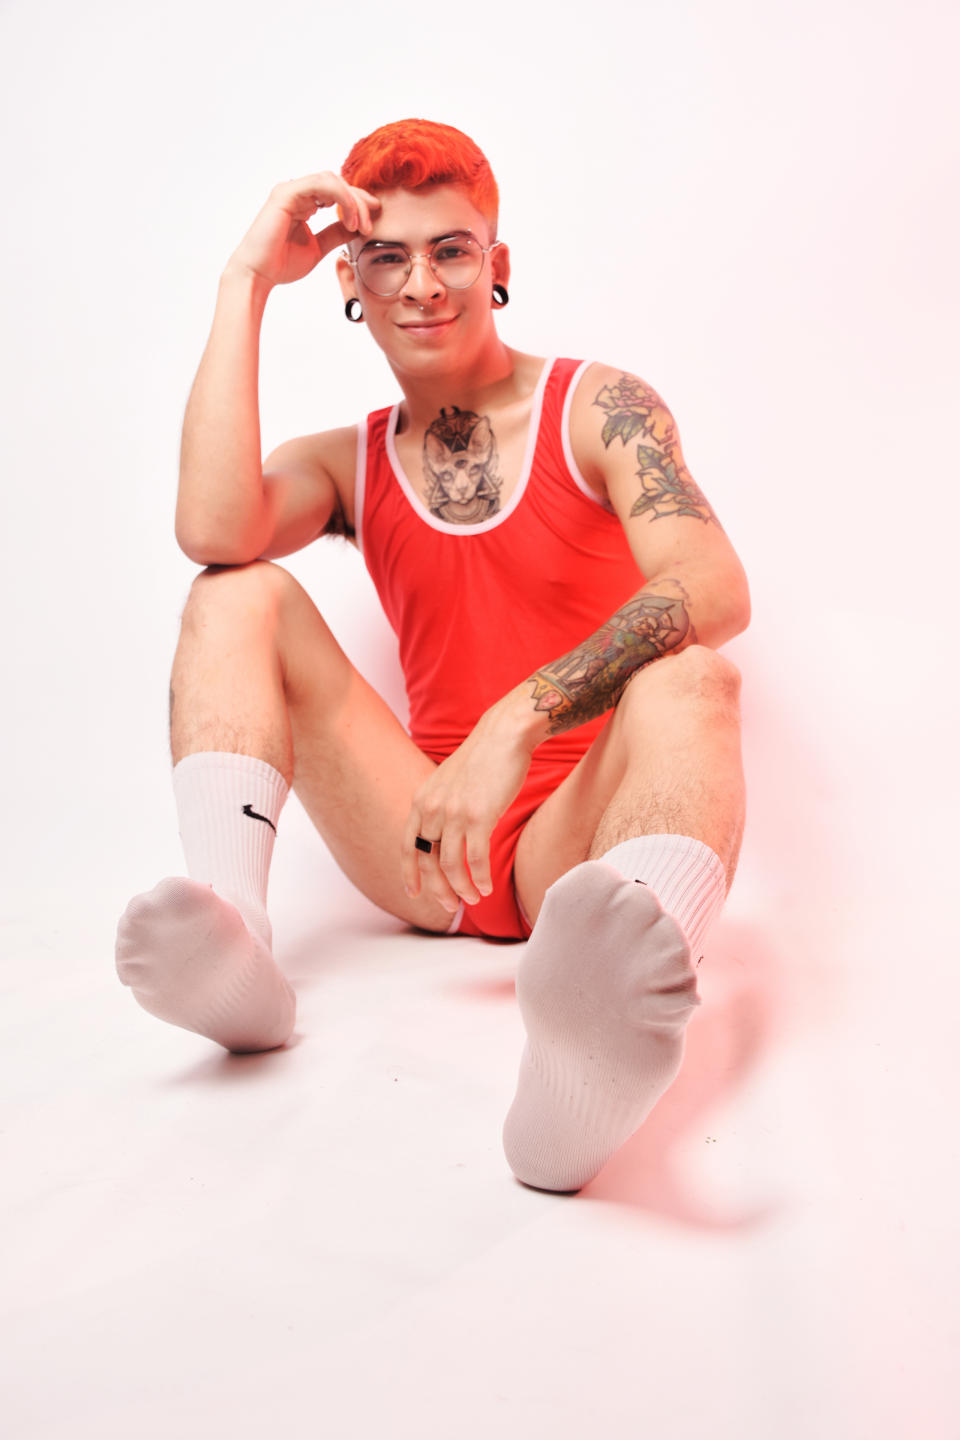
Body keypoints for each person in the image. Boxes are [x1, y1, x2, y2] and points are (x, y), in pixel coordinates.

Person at [115, 119, 750, 1194]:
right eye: (387, 257)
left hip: (584, 840)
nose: (421, 284)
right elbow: (213, 531)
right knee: (235, 590)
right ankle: (237, 944)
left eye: (450, 250)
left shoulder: (599, 408)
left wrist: (517, 723)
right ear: (350, 280)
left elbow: (713, 586)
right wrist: (245, 282)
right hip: (429, 842)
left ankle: (599, 1034)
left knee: (696, 676)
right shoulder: (346, 463)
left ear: (495, 264)